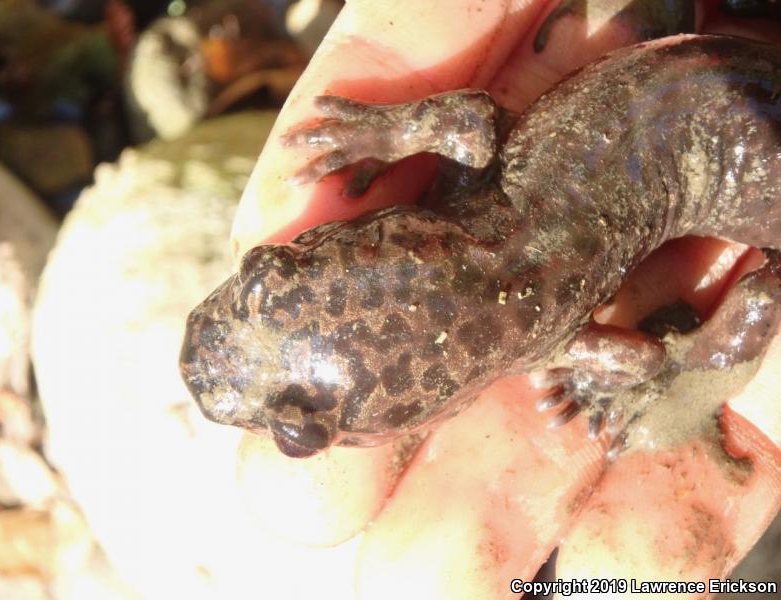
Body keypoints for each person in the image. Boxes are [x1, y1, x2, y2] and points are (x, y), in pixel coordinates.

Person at [227, 1, 781, 597]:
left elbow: (642, 359)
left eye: (266, 275)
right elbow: (469, 121)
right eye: (302, 429)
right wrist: (392, 133)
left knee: (729, 331)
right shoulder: (464, 201)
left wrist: (615, 379)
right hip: (727, 87)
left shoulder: (555, 339)